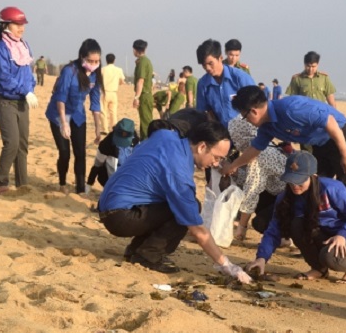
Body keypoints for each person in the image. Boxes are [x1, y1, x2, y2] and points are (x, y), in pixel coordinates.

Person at [97, 120, 252, 284]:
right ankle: (148, 255)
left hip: (110, 204)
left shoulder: (167, 136)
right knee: (188, 208)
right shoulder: (179, 172)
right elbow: (198, 230)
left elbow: (161, 126)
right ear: (201, 147)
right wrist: (226, 264)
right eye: (216, 157)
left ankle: (136, 249)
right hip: (119, 217)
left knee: (181, 204)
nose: (216, 164)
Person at [222, 85, 346, 210]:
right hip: (320, 145)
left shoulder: (291, 108)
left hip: (341, 136)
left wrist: (345, 153)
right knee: (316, 186)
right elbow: (254, 149)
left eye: (245, 117)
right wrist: (233, 166)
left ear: (253, 111)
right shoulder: (266, 127)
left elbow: (330, 122)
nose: (247, 121)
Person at [246, 151, 346, 283]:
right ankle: (319, 269)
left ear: (313, 176)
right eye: (291, 180)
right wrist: (261, 258)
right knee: (296, 224)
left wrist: (342, 235)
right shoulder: (285, 197)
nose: (295, 186)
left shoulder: (332, 189)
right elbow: (274, 229)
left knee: (329, 256)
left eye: (299, 181)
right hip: (325, 236)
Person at [45, 39, 103, 194]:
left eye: (97, 61)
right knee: (65, 152)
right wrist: (64, 123)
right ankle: (62, 183)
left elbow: (95, 103)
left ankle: (80, 188)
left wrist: (98, 128)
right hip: (59, 114)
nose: (93, 63)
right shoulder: (69, 71)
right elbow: (60, 97)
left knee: (80, 153)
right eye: (90, 60)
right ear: (82, 57)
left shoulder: (96, 75)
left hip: (78, 115)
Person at [0, 6, 38, 194]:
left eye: (22, 24)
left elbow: (28, 73)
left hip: (22, 102)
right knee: (12, 142)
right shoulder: (0, 50)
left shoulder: (25, 46)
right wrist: (24, 91)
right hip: (5, 102)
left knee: (23, 144)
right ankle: (2, 183)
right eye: (17, 24)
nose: (21, 28)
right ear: (5, 25)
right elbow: (4, 77)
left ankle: (22, 184)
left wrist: (31, 89)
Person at [227, 114, 287, 240]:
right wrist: (236, 172)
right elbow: (254, 178)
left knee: (259, 222)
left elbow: (252, 191)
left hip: (289, 198)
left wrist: (242, 227)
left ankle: (284, 235)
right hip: (281, 192)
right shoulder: (267, 144)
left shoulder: (258, 155)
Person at [195, 39, 255, 128]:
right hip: (221, 133)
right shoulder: (203, 84)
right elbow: (204, 111)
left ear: (220, 58)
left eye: (210, 63)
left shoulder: (240, 78)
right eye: (204, 65)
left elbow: (256, 105)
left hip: (245, 130)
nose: (207, 68)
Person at [86, 118, 139, 192]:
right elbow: (97, 165)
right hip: (111, 176)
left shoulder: (136, 141)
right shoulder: (107, 143)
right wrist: (89, 184)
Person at [132, 39, 154, 139]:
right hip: (147, 94)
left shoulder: (143, 62)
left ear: (135, 50)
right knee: (145, 122)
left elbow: (140, 81)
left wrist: (136, 97)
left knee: (146, 125)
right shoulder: (145, 61)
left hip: (144, 95)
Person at [100, 53, 125, 135]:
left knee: (103, 111)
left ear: (106, 60)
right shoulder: (119, 70)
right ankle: (114, 128)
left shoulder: (103, 69)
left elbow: (99, 80)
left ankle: (105, 129)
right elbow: (122, 81)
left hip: (105, 92)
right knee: (113, 112)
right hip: (114, 93)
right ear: (114, 60)